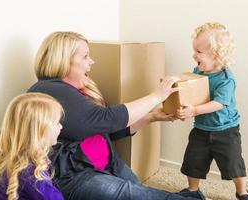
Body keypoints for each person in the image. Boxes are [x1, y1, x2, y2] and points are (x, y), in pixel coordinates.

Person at [28, 31, 204, 200]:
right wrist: (157, 96)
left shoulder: (78, 91)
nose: (92, 61)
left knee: (143, 193)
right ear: (63, 61)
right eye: (85, 56)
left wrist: (152, 116)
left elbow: (108, 131)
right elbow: (107, 118)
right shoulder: (48, 90)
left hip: (108, 164)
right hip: (77, 176)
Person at [176, 22, 248, 200]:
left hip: (226, 130)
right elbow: (194, 90)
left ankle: (242, 192)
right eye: (194, 50)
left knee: (234, 163)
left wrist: (195, 110)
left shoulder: (226, 79)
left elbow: (219, 103)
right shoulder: (198, 71)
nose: (193, 54)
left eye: (198, 51)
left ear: (216, 54)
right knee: (193, 161)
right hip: (202, 128)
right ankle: (193, 191)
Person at [0, 93, 64, 200]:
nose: (61, 126)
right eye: (57, 122)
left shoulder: (12, 162)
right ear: (40, 131)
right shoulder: (32, 176)